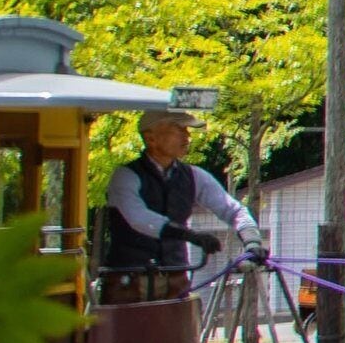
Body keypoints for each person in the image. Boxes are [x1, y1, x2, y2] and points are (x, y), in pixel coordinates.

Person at [98, 108, 260, 303]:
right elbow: (139, 218)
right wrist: (190, 235)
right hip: (128, 282)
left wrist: (252, 241)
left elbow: (233, 210)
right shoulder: (125, 176)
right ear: (150, 138)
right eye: (179, 130)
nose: (187, 137)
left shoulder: (193, 176)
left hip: (176, 279)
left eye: (187, 131)